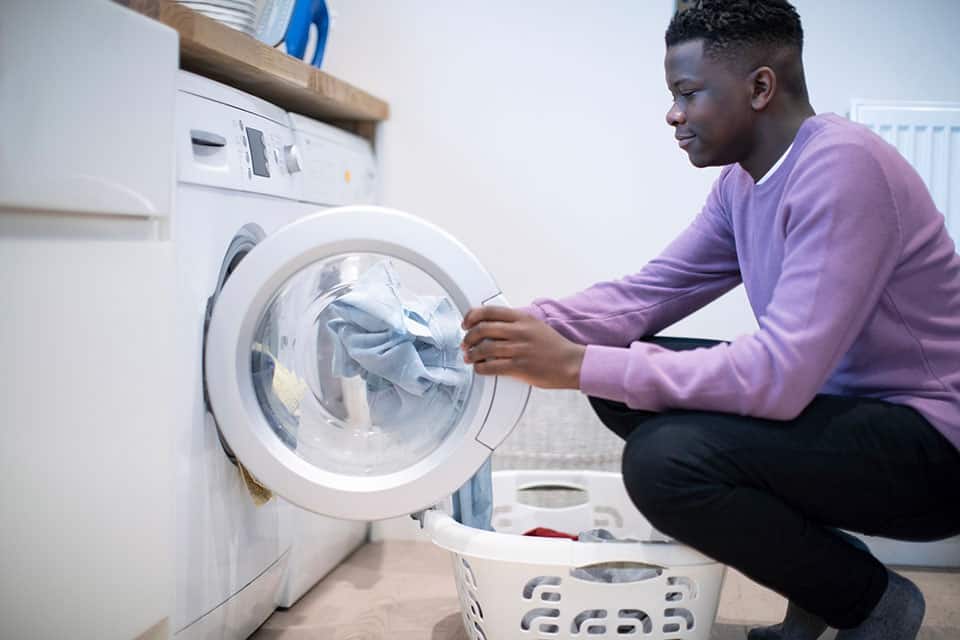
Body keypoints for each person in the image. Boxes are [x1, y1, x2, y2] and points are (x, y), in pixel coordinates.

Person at [459, 1, 960, 639]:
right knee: (625, 391)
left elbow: (779, 376)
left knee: (664, 461)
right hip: (850, 418)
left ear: (759, 87)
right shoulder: (742, 184)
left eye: (688, 93)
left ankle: (871, 601)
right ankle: (829, 580)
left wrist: (575, 364)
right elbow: (645, 297)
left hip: (935, 450)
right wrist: (508, 329)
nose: (673, 113)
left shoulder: (845, 167)